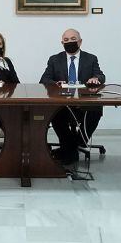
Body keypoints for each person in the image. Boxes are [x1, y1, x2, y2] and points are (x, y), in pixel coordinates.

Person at [40, 28, 105, 163]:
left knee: (97, 109)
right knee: (55, 113)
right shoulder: (55, 59)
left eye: (73, 39)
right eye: (66, 40)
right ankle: (70, 148)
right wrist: (55, 83)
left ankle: (75, 144)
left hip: (84, 102)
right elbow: (44, 79)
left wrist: (95, 78)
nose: (69, 42)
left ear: (80, 42)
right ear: (62, 43)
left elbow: (100, 75)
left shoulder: (91, 58)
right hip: (63, 103)